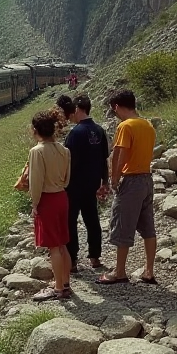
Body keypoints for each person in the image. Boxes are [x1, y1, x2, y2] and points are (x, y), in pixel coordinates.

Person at [96, 89, 158, 285]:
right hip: (147, 179)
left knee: (122, 225)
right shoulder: (147, 125)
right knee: (148, 227)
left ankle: (120, 271)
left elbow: (119, 155)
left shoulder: (125, 126)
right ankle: (149, 270)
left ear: (116, 107)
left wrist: (114, 179)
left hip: (131, 180)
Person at [14, 108, 73, 301]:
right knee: (63, 244)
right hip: (62, 197)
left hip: (47, 199)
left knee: (53, 247)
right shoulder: (64, 150)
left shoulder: (36, 152)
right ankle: (65, 283)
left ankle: (57, 288)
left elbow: (36, 182)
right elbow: (67, 178)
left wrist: (35, 204)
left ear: (35, 130)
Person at [56, 95, 111, 273]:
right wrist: (105, 181)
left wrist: (62, 182)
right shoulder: (100, 130)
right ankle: (95, 256)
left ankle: (72, 260)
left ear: (79, 109)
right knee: (92, 219)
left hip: (73, 185)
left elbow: (68, 161)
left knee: (70, 221)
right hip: (93, 183)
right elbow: (104, 159)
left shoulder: (75, 133)